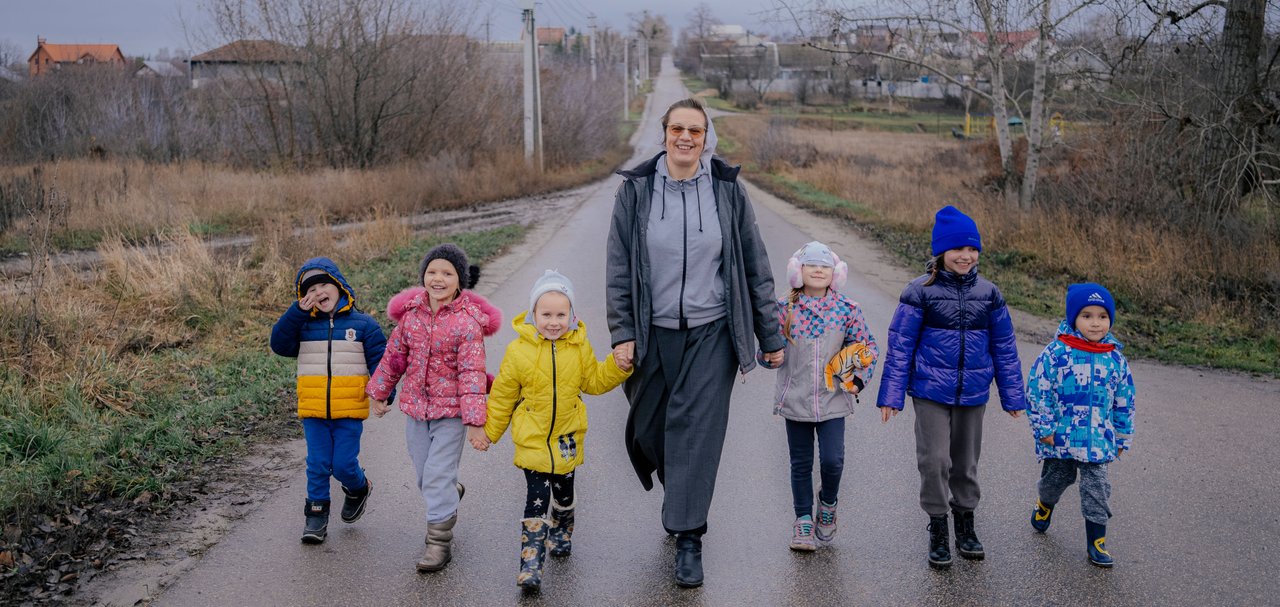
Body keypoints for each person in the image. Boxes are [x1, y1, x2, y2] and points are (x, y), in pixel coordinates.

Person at [607, 97, 785, 588]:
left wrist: (769, 336)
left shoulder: (728, 190)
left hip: (714, 332)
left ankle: (689, 538)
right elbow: (619, 268)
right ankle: (681, 489)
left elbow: (755, 266)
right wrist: (622, 333)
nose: (686, 137)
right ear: (664, 133)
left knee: (694, 432)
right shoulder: (636, 190)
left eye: (696, 130)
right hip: (653, 331)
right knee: (650, 428)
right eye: (678, 129)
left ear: (707, 138)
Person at [876, 206, 1027, 569]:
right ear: (941, 252)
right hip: (930, 392)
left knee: (965, 464)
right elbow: (900, 347)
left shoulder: (989, 294)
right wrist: (892, 395)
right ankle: (938, 525)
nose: (966, 256)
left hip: (973, 392)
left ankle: (966, 523)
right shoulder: (920, 292)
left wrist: (1012, 396)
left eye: (973, 249)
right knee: (935, 461)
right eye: (958, 249)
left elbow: (1004, 349)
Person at [473, 270, 633, 590]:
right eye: (546, 314)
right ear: (533, 315)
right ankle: (530, 563)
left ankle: (562, 526)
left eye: (561, 314)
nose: (554, 321)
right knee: (537, 497)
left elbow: (594, 382)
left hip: (566, 438)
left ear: (572, 316)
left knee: (563, 493)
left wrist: (618, 367)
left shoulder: (578, 347)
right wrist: (489, 432)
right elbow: (503, 396)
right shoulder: (518, 352)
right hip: (532, 438)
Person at [366, 244, 502, 572]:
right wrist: (379, 392)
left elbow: (472, 376)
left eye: (447, 273)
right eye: (432, 271)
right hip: (416, 411)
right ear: (423, 276)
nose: (438, 278)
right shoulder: (411, 317)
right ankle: (448, 493)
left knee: (436, 475)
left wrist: (474, 422)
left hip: (452, 414)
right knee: (424, 476)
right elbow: (394, 357)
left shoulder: (467, 324)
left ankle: (438, 544)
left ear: (460, 281)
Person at [758, 241, 878, 551]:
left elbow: (866, 349)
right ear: (798, 272)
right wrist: (767, 356)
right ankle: (802, 521)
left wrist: (857, 379)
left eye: (825, 266)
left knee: (833, 461)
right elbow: (766, 347)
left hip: (833, 400)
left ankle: (828, 504)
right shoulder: (783, 308)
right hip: (794, 399)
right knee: (800, 463)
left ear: (835, 274)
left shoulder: (847, 310)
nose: (819, 270)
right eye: (811, 265)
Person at [269, 257, 388, 544]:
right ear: (303, 298)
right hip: (313, 409)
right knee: (319, 463)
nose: (318, 292)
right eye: (309, 290)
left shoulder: (363, 325)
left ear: (339, 286)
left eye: (323, 285)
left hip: (349, 409)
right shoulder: (303, 325)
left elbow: (382, 362)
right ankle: (316, 515)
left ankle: (358, 487)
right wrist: (296, 313)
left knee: (344, 464)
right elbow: (279, 344)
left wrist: (382, 394)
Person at [1025, 283, 1135, 568]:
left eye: (1102, 316)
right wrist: (1045, 428)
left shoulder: (1116, 359)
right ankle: (1045, 503)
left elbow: (1125, 401)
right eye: (1086, 315)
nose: (1095, 323)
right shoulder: (1056, 353)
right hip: (1060, 438)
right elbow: (1038, 391)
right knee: (1056, 480)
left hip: (1099, 439)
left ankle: (1096, 541)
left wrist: (1122, 438)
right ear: (1073, 318)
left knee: (1097, 489)